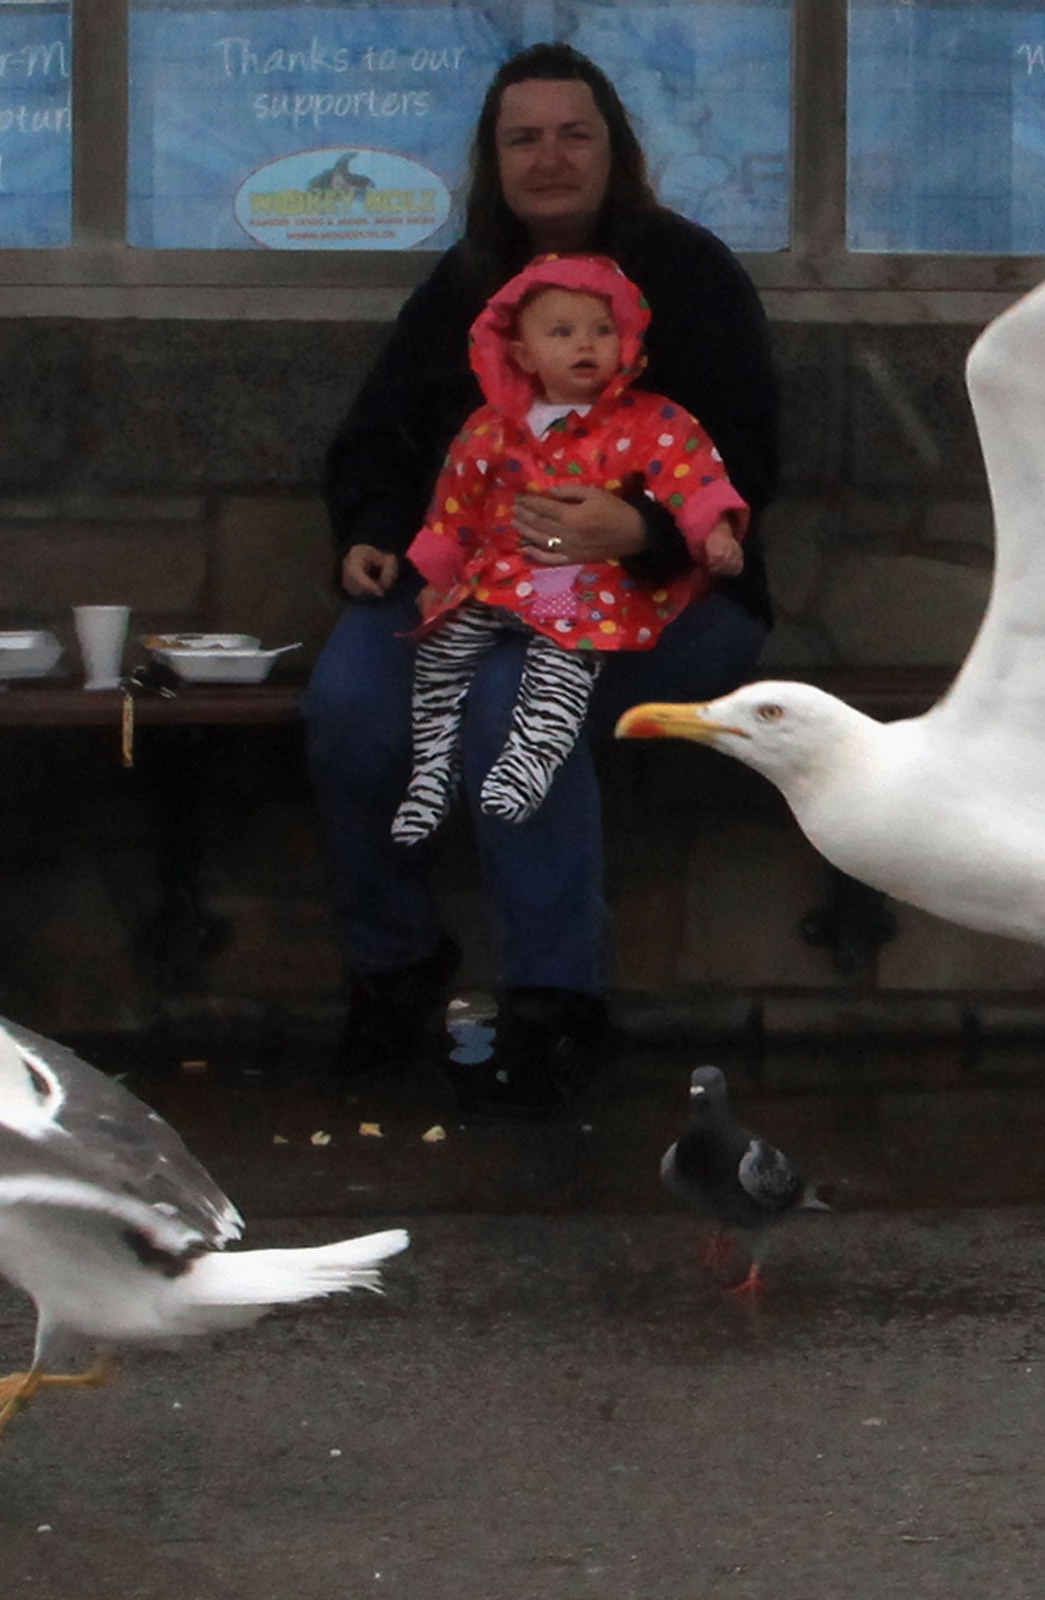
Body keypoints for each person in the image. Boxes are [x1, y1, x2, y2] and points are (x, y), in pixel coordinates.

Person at [310, 43, 781, 1116]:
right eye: (524, 138)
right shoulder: (462, 286)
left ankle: (555, 1002)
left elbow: (749, 455)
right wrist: (373, 533)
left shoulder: (690, 275)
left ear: (615, 149)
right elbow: (378, 434)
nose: (550, 157)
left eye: (575, 134)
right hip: (469, 579)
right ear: (493, 160)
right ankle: (393, 965)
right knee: (349, 704)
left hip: (672, 595)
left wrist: (644, 526)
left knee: (513, 702)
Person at [392, 254, 745, 846]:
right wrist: (437, 573)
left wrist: (715, 532)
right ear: (523, 354)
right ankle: (433, 771)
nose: (586, 344)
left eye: (602, 331)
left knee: (561, 658)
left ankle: (533, 757)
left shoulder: (649, 421)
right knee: (439, 653)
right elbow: (456, 504)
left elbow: (694, 480)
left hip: (580, 581)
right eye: (562, 332)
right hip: (495, 579)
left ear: (626, 341)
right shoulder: (491, 427)